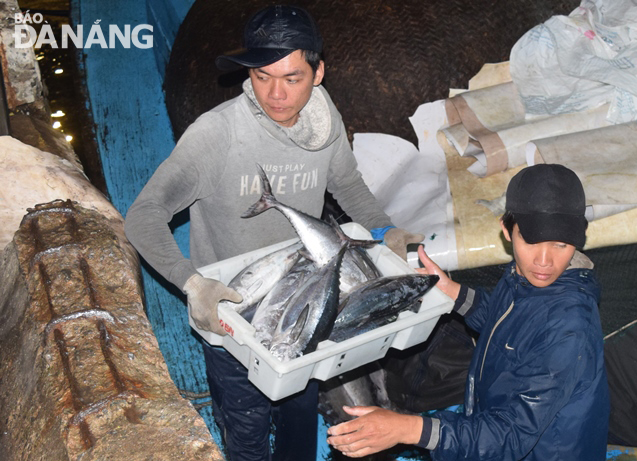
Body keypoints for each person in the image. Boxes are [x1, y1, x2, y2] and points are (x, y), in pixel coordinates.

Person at [124, 4, 424, 461]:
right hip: (229, 307)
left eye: (292, 78)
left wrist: (387, 230)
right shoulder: (216, 134)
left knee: (299, 416)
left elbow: (347, 186)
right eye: (262, 77)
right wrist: (193, 283)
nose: (276, 94)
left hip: (303, 295)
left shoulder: (326, 122)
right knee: (245, 429)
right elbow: (143, 215)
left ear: (318, 72)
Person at [327, 163, 610, 460]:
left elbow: (511, 436)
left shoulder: (569, 329)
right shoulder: (525, 278)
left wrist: (408, 429)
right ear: (507, 230)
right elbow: (508, 326)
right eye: (530, 240)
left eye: (560, 244)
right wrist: (454, 292)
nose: (544, 260)